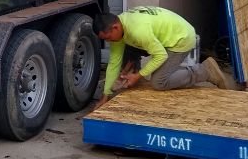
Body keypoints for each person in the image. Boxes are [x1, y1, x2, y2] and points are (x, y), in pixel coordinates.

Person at [92, 7, 228, 110]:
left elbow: (160, 56)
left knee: (159, 82)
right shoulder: (121, 24)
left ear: (115, 27)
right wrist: (106, 95)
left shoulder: (138, 30)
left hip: (181, 39)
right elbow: (114, 62)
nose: (108, 42)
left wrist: (139, 75)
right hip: (163, 37)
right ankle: (132, 77)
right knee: (126, 46)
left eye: (108, 38)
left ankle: (205, 71)